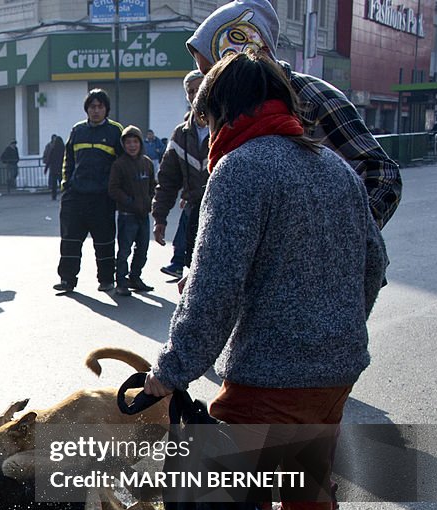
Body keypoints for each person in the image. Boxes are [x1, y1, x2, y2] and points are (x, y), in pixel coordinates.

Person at [143, 50, 388, 510]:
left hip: (272, 369)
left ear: (219, 110)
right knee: (307, 466)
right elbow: (374, 263)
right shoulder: (333, 166)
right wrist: (340, 324)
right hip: (339, 363)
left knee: (223, 496)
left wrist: (171, 370)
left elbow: (212, 291)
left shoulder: (242, 169)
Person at [186, 0, 401, 229]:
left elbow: (383, 175)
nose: (208, 84)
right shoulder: (228, 109)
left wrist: (347, 240)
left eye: (211, 71)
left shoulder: (313, 98)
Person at [53, 89, 124, 294]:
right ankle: (67, 279)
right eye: (92, 106)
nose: (96, 110)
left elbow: (122, 164)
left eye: (100, 106)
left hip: (102, 198)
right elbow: (69, 160)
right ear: (87, 109)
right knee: (70, 240)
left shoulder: (115, 131)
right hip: (76, 197)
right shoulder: (77, 130)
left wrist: (116, 191)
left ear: (106, 109)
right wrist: (66, 185)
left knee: (104, 241)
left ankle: (106, 280)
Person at [152, 69, 210, 279]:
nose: (196, 94)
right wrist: (159, 218)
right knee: (192, 274)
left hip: (223, 213)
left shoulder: (227, 128)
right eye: (191, 91)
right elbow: (167, 180)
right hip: (193, 213)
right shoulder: (180, 134)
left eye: (200, 88)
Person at [108, 126, 156, 297]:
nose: (132, 145)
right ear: (123, 144)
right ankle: (121, 281)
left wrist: (149, 201)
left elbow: (153, 185)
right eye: (128, 142)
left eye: (135, 141)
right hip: (127, 216)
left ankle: (135, 278)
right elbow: (113, 189)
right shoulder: (119, 165)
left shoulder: (147, 163)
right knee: (124, 251)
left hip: (143, 215)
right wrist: (130, 202)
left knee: (142, 249)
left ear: (140, 143)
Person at [42, 134, 64, 201]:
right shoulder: (64, 149)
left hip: (54, 169)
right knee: (62, 183)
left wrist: (46, 169)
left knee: (54, 184)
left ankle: (53, 196)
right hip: (61, 168)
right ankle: (64, 194)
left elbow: (49, 159)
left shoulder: (53, 149)